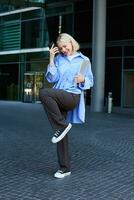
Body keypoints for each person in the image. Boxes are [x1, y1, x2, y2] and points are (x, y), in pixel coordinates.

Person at [39, 33, 93, 179]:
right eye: (60, 48)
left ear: (71, 43)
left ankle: (61, 125)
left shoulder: (84, 61)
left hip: (71, 96)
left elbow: (89, 81)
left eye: (65, 46)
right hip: (58, 97)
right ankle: (65, 168)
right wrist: (51, 58)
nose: (63, 50)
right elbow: (52, 78)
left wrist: (83, 79)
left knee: (44, 93)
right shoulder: (58, 59)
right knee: (61, 135)